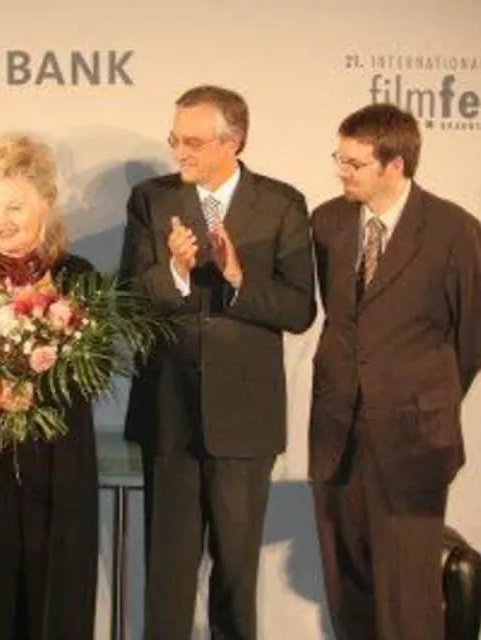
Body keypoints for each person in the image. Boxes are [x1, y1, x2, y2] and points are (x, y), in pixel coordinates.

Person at [119, 85, 316, 638]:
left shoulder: (281, 204)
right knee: (168, 576)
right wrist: (175, 273)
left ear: (233, 142)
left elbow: (299, 309)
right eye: (175, 139)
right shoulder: (151, 200)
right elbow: (128, 300)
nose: (179, 152)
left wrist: (237, 278)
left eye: (193, 142)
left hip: (245, 419)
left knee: (235, 574)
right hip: (169, 413)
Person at [310, 103, 481, 639]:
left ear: (395, 165)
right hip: (337, 436)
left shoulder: (454, 230)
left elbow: (471, 338)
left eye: (354, 163)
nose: (341, 172)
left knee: (408, 600)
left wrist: (425, 396)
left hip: (414, 441)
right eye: (339, 158)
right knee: (349, 592)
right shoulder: (327, 222)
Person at [0, 134, 99, 640]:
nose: (1, 220)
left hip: (57, 461)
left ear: (45, 205)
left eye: (14, 206)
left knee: (55, 592)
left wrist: (40, 387)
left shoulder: (77, 278)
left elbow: (94, 371)